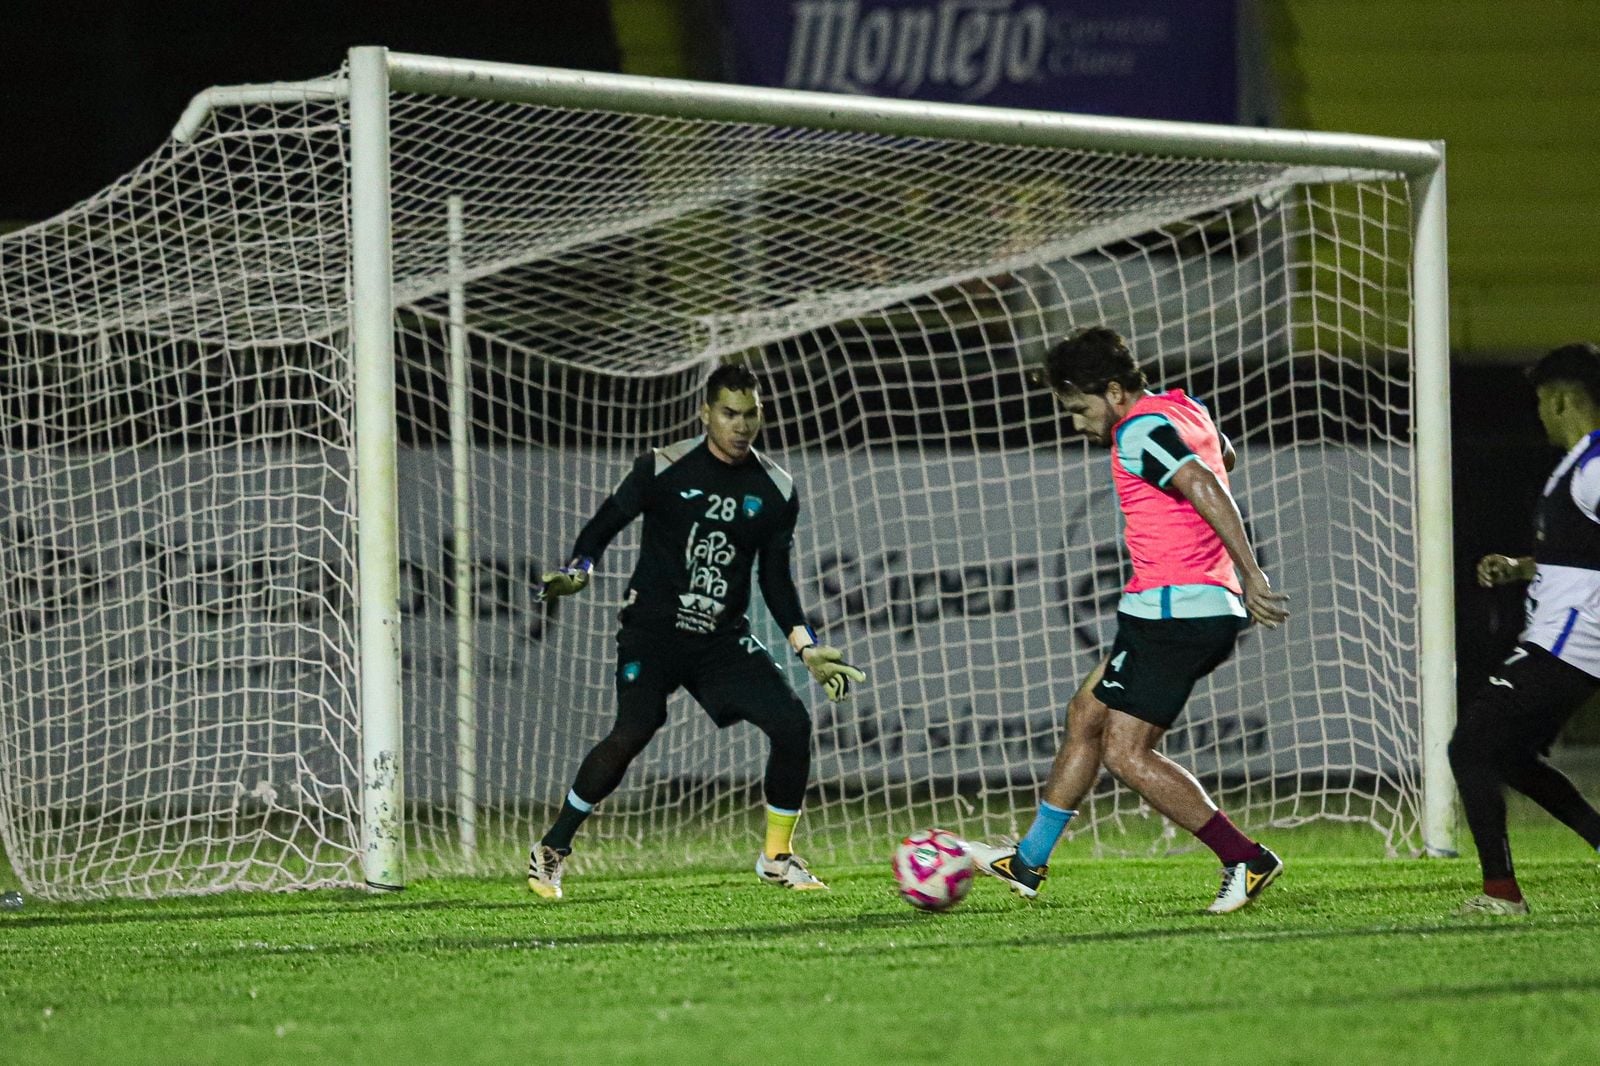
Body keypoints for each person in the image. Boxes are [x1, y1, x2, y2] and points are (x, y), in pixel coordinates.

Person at [965, 327, 1290, 913]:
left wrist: (1251, 573)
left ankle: (1244, 857)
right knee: (1086, 714)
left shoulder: (1139, 429)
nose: (1075, 422)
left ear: (1114, 392)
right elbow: (1224, 455)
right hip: (1165, 610)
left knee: (1127, 753)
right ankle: (1029, 859)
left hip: (1179, 612)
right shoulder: (1182, 405)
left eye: (1079, 408)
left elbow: (1202, 480)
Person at [527, 364, 865, 900]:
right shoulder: (662, 467)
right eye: (730, 413)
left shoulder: (776, 489)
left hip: (720, 639)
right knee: (636, 728)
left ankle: (776, 857)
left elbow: (774, 578)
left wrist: (807, 647)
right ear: (705, 413)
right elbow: (604, 524)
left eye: (751, 412)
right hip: (653, 631)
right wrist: (578, 570)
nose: (741, 424)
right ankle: (552, 849)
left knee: (792, 723)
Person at [1451, 341, 1600, 916]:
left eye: (1542, 400)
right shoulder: (1578, 465)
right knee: (1508, 755)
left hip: (1572, 641)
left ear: (1562, 400)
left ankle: (1501, 893)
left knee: (1470, 748)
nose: (1538, 413)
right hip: (1566, 637)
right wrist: (1520, 568)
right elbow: (1581, 551)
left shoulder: (1593, 468)